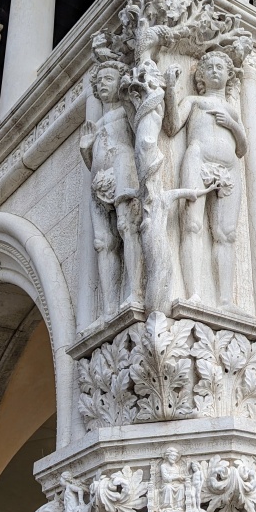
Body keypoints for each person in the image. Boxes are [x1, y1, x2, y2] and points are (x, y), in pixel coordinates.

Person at [164, 51, 248, 307]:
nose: (214, 71)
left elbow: (242, 148)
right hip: (198, 160)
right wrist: (169, 89)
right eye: (209, 67)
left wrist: (233, 126)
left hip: (229, 169)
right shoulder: (193, 101)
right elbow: (172, 126)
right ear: (200, 75)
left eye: (220, 67)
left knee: (226, 233)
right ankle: (194, 294)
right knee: (191, 225)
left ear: (228, 75)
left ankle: (225, 300)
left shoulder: (231, 110)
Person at [80, 61, 143, 319]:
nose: (102, 83)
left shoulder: (126, 110)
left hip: (123, 169)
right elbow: (93, 160)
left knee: (127, 228)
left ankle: (135, 292)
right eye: (99, 80)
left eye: (108, 78)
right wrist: (86, 148)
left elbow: (143, 136)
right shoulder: (97, 123)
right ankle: (108, 307)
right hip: (99, 180)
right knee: (102, 242)